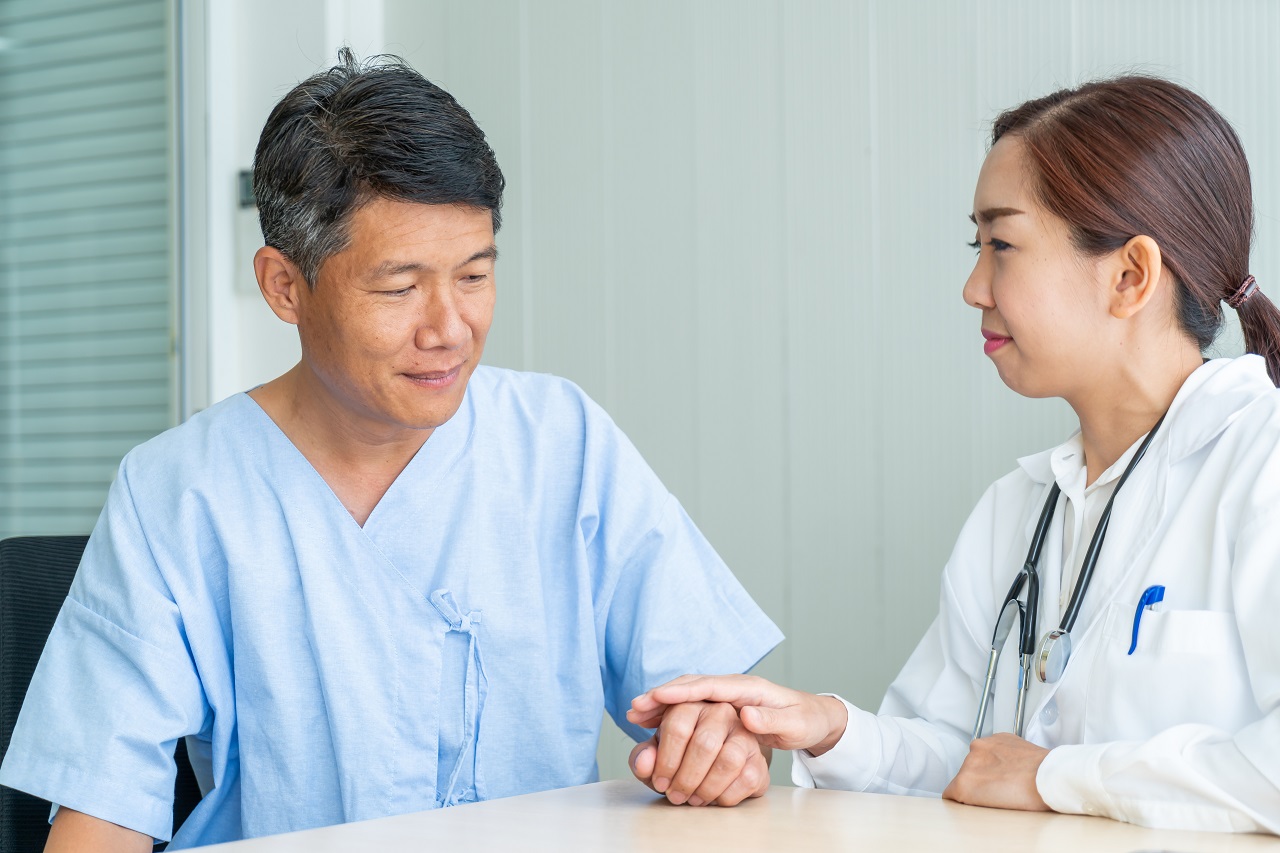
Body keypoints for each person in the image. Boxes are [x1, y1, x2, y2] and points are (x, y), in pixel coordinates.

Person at [0, 51, 781, 850]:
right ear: (285, 286)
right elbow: (101, 811)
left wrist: (716, 742)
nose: (448, 328)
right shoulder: (179, 490)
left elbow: (709, 702)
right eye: (398, 288)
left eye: (474, 275)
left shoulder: (560, 441)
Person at [628, 76, 1280, 834]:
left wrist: (1056, 775)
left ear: (1130, 275)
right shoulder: (1018, 507)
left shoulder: (1261, 460)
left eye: (1001, 244)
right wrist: (828, 725)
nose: (974, 287)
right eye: (978, 246)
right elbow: (969, 765)